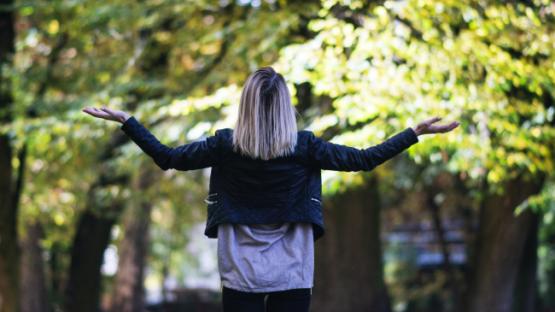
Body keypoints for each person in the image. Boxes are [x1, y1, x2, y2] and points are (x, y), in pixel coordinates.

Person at [83, 66, 459, 312]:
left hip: (240, 257)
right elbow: (364, 159)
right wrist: (413, 133)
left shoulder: (225, 145)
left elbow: (167, 157)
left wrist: (128, 122)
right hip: (292, 257)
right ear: (284, 107)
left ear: (245, 105)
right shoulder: (305, 146)